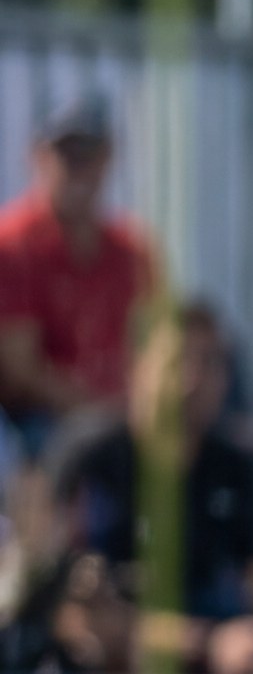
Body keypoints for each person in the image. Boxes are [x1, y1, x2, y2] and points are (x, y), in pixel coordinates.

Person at [14, 301, 253, 674]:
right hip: (121, 659)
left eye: (212, 362)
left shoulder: (234, 467)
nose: (196, 378)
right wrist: (209, 645)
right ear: (138, 366)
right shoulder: (91, 458)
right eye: (180, 360)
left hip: (222, 646)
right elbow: (76, 618)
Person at [0, 94, 155, 430]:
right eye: (65, 153)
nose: (77, 166)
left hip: (120, 419)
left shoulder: (133, 250)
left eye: (88, 153)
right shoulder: (11, 244)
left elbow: (155, 345)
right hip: (38, 422)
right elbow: (21, 370)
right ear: (38, 157)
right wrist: (103, 414)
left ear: (108, 157)